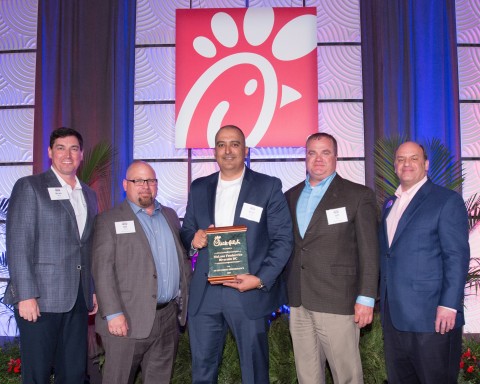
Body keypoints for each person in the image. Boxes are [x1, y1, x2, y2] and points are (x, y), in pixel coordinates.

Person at [180, 125, 293, 383]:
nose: (227, 150)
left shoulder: (268, 186)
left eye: (234, 144)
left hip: (247, 290)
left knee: (253, 371)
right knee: (202, 371)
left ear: (245, 150)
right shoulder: (199, 187)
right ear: (214, 151)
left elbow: (283, 240)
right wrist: (194, 239)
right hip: (205, 292)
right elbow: (187, 230)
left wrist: (261, 278)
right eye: (221, 144)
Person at [4, 127, 98, 383]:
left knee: (74, 373)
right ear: (50, 152)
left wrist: (91, 289)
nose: (67, 154)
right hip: (39, 299)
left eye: (74, 148)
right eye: (60, 148)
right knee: (37, 374)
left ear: (81, 154)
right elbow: (18, 243)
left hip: (77, 300)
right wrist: (26, 295)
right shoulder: (30, 186)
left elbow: (86, 246)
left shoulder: (88, 194)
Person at [285, 132, 379, 384]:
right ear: (305, 157)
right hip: (299, 301)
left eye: (325, 152)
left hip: (339, 300)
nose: (318, 159)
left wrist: (367, 297)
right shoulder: (291, 196)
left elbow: (370, 251)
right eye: (312, 153)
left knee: (346, 375)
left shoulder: (358, 195)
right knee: (307, 376)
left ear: (336, 157)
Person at [92, 160, 190, 384]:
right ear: (125, 184)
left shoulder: (171, 216)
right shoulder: (108, 220)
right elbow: (102, 270)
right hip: (126, 320)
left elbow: (182, 259)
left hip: (167, 318)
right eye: (138, 180)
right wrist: (113, 314)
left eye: (151, 180)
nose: (145, 185)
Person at [379, 141, 470, 384]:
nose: (406, 163)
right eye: (400, 159)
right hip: (394, 318)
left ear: (426, 164)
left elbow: (456, 256)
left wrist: (449, 305)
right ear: (395, 165)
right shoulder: (389, 204)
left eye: (414, 158)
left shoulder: (446, 200)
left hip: (432, 318)